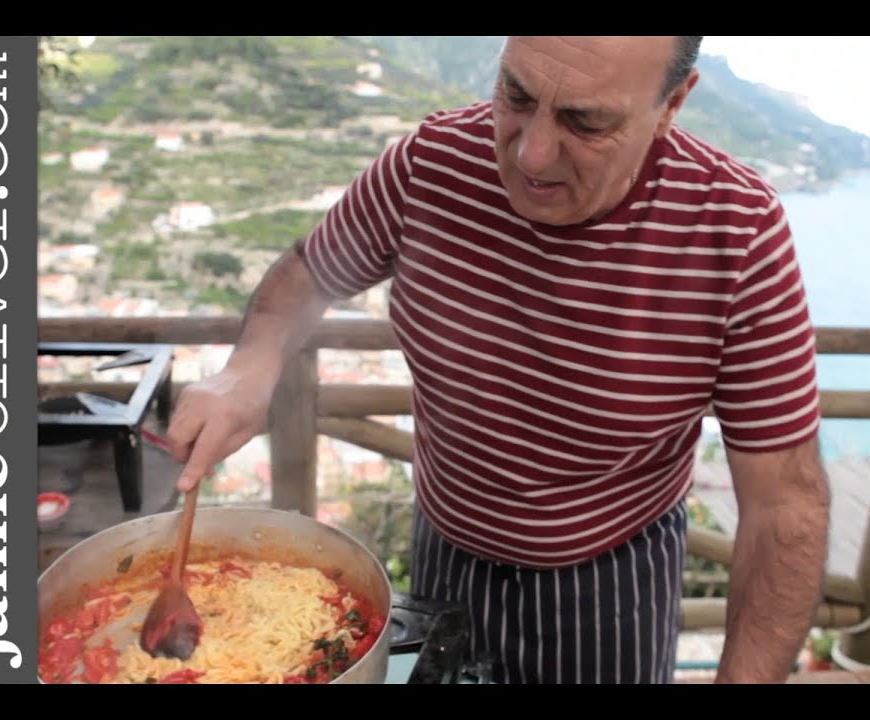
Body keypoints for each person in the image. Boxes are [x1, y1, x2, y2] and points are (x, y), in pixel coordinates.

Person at [164, 36, 831, 684]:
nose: (532, 154)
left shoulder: (736, 231)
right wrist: (247, 366)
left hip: (609, 581)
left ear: (672, 102)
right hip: (446, 549)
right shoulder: (432, 162)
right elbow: (309, 274)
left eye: (587, 120)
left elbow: (784, 507)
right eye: (516, 94)